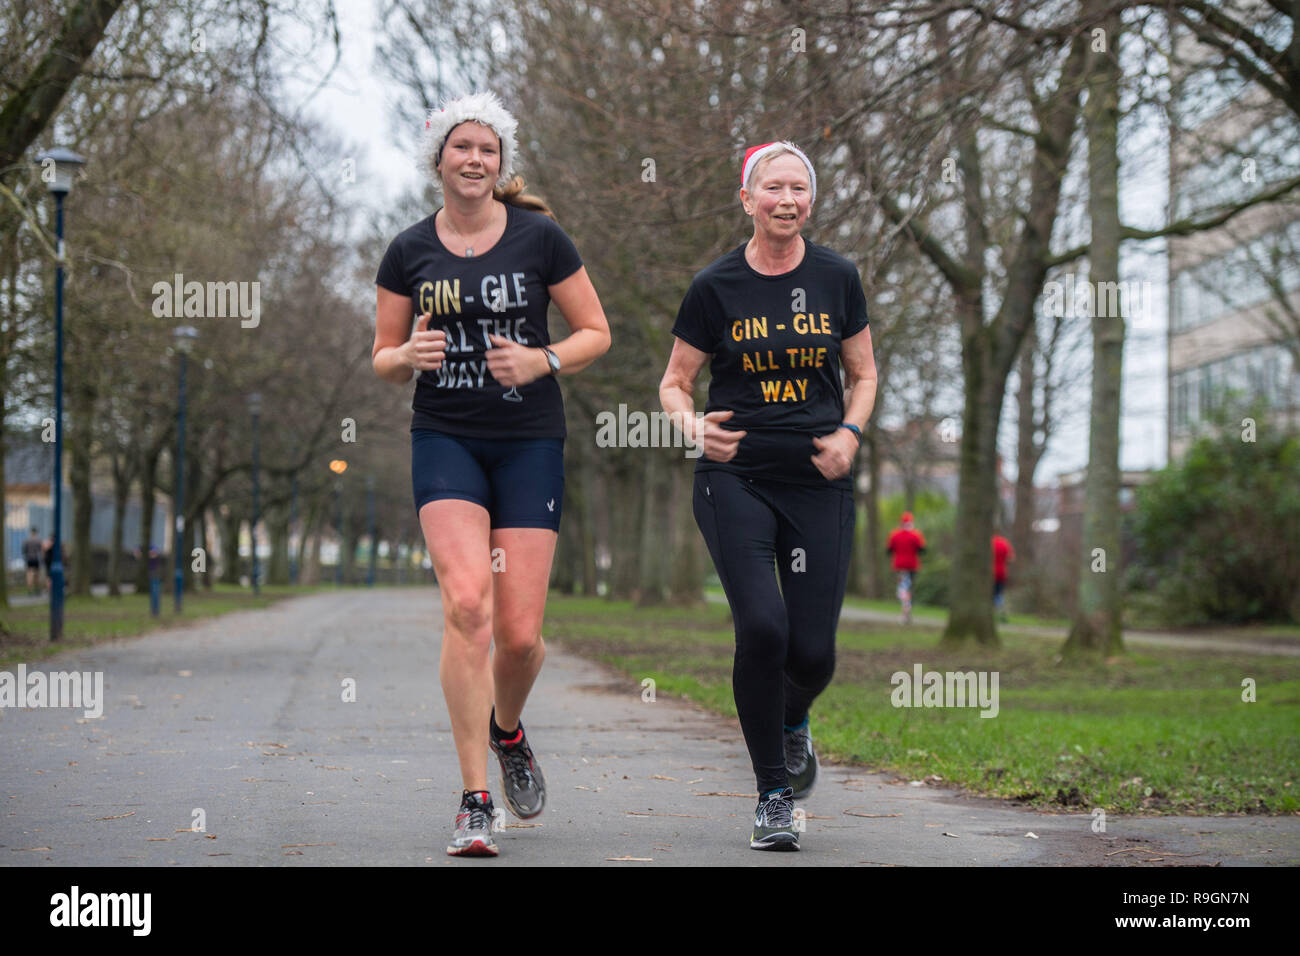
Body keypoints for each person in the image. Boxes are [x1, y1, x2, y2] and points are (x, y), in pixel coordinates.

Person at [371, 92, 610, 858]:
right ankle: (475, 800)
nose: (474, 159)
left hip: (529, 440)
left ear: (500, 164)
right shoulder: (409, 250)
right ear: (438, 158)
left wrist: (540, 359)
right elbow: (381, 356)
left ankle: (509, 729)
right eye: (461, 147)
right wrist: (405, 357)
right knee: (468, 605)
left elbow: (595, 333)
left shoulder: (540, 238)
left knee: (521, 635)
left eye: (488, 149)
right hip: (446, 438)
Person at [660, 141, 877, 851]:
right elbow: (673, 382)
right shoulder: (714, 286)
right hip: (736, 478)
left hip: (818, 478)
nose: (787, 200)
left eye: (799, 189)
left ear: (810, 200)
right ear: (746, 199)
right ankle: (773, 795)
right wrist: (696, 430)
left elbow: (864, 373)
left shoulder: (837, 276)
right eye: (772, 188)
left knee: (812, 653)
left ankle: (791, 721)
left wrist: (849, 432)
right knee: (762, 630)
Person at [886, 512, 926, 624]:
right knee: (908, 589)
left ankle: (905, 613)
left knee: (903, 589)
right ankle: (907, 613)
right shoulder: (916, 535)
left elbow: (889, 550)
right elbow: (922, 550)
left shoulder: (894, 534)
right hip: (912, 566)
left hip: (900, 566)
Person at [992, 532, 1015, 621]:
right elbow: (1011, 558)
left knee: (989, 594)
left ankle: (992, 613)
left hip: (989, 573)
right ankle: (1000, 613)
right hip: (1001, 573)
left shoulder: (988, 543)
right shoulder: (1004, 543)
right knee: (998, 594)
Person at [23, 528, 43, 595]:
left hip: (29, 559)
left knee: (29, 575)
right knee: (37, 575)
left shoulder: (27, 540)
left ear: (31, 532)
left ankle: (30, 590)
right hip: (36, 559)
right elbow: (41, 550)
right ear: (36, 532)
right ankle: (37, 590)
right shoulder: (38, 540)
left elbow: (24, 551)